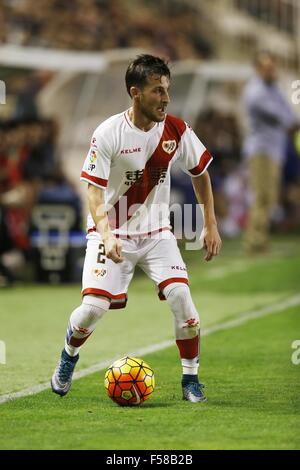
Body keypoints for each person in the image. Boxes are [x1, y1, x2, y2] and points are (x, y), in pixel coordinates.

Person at [51, 54, 222, 403]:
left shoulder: (176, 130)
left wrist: (210, 224)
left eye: (167, 90)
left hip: (157, 233)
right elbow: (93, 192)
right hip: (110, 231)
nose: (166, 98)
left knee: (182, 299)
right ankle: (69, 355)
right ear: (135, 93)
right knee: (92, 310)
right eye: (158, 91)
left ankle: (190, 380)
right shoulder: (108, 133)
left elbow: (200, 173)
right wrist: (107, 232)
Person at [243, 51, 299, 253]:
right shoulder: (255, 91)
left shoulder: (272, 88)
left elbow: (287, 111)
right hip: (261, 150)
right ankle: (254, 241)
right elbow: (280, 116)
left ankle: (260, 239)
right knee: (261, 195)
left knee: (269, 196)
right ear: (258, 69)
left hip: (274, 149)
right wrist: (293, 122)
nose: (272, 71)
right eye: (267, 67)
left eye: (273, 67)